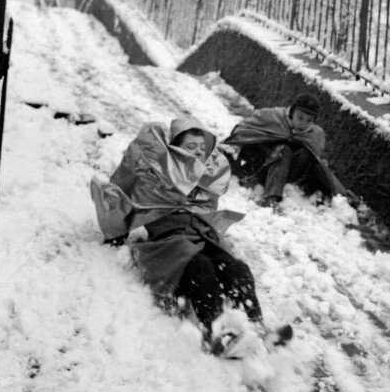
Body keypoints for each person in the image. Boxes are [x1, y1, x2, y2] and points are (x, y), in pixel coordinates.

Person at [90, 115, 291, 355]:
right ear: (174, 147)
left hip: (198, 236)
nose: (197, 152)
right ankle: (214, 335)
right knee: (200, 267)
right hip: (164, 244)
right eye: (190, 147)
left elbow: (207, 212)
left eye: (201, 148)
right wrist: (118, 231)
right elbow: (125, 189)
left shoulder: (204, 179)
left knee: (237, 269)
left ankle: (257, 328)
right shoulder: (153, 174)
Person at [224, 92, 357, 211]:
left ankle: (310, 194)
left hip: (289, 174)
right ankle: (271, 198)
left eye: (309, 120)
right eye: (300, 118)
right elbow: (242, 129)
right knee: (284, 150)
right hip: (262, 166)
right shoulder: (271, 117)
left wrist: (339, 192)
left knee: (306, 155)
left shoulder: (316, 134)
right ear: (291, 112)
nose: (303, 123)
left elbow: (318, 162)